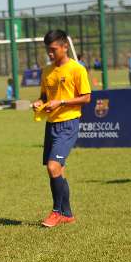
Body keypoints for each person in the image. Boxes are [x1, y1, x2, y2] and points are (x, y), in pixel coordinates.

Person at [31, 30, 91, 228]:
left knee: (53, 166)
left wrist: (61, 102)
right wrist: (39, 103)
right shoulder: (47, 71)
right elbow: (44, 96)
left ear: (65, 47)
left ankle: (56, 212)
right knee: (58, 170)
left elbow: (86, 97)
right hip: (51, 124)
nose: (50, 53)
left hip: (68, 123)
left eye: (53, 49)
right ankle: (67, 214)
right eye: (48, 50)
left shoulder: (77, 69)